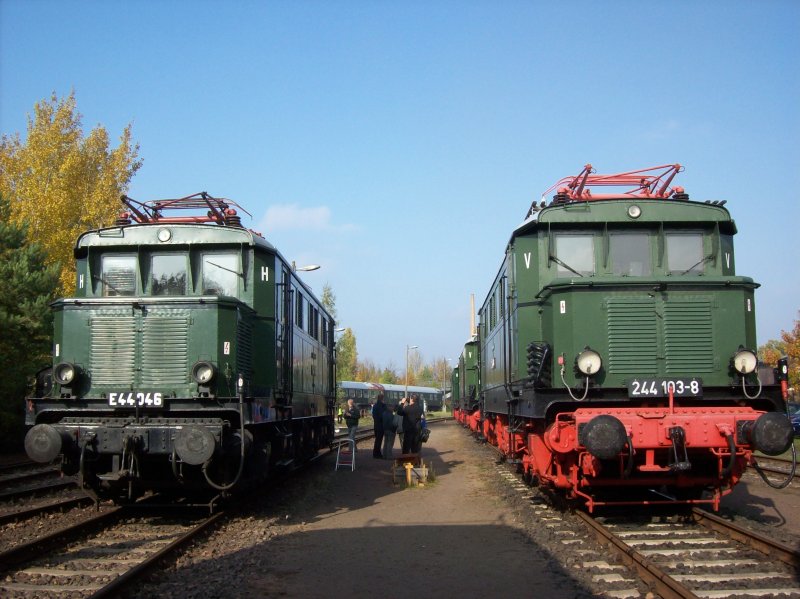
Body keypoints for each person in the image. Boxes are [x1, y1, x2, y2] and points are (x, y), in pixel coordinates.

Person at [371, 393, 387, 458]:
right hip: (381, 425)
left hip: (376, 425)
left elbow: (374, 416)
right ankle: (377, 453)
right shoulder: (382, 406)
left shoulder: (375, 406)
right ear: (382, 398)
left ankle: (376, 453)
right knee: (379, 440)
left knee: (377, 440)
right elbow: (383, 415)